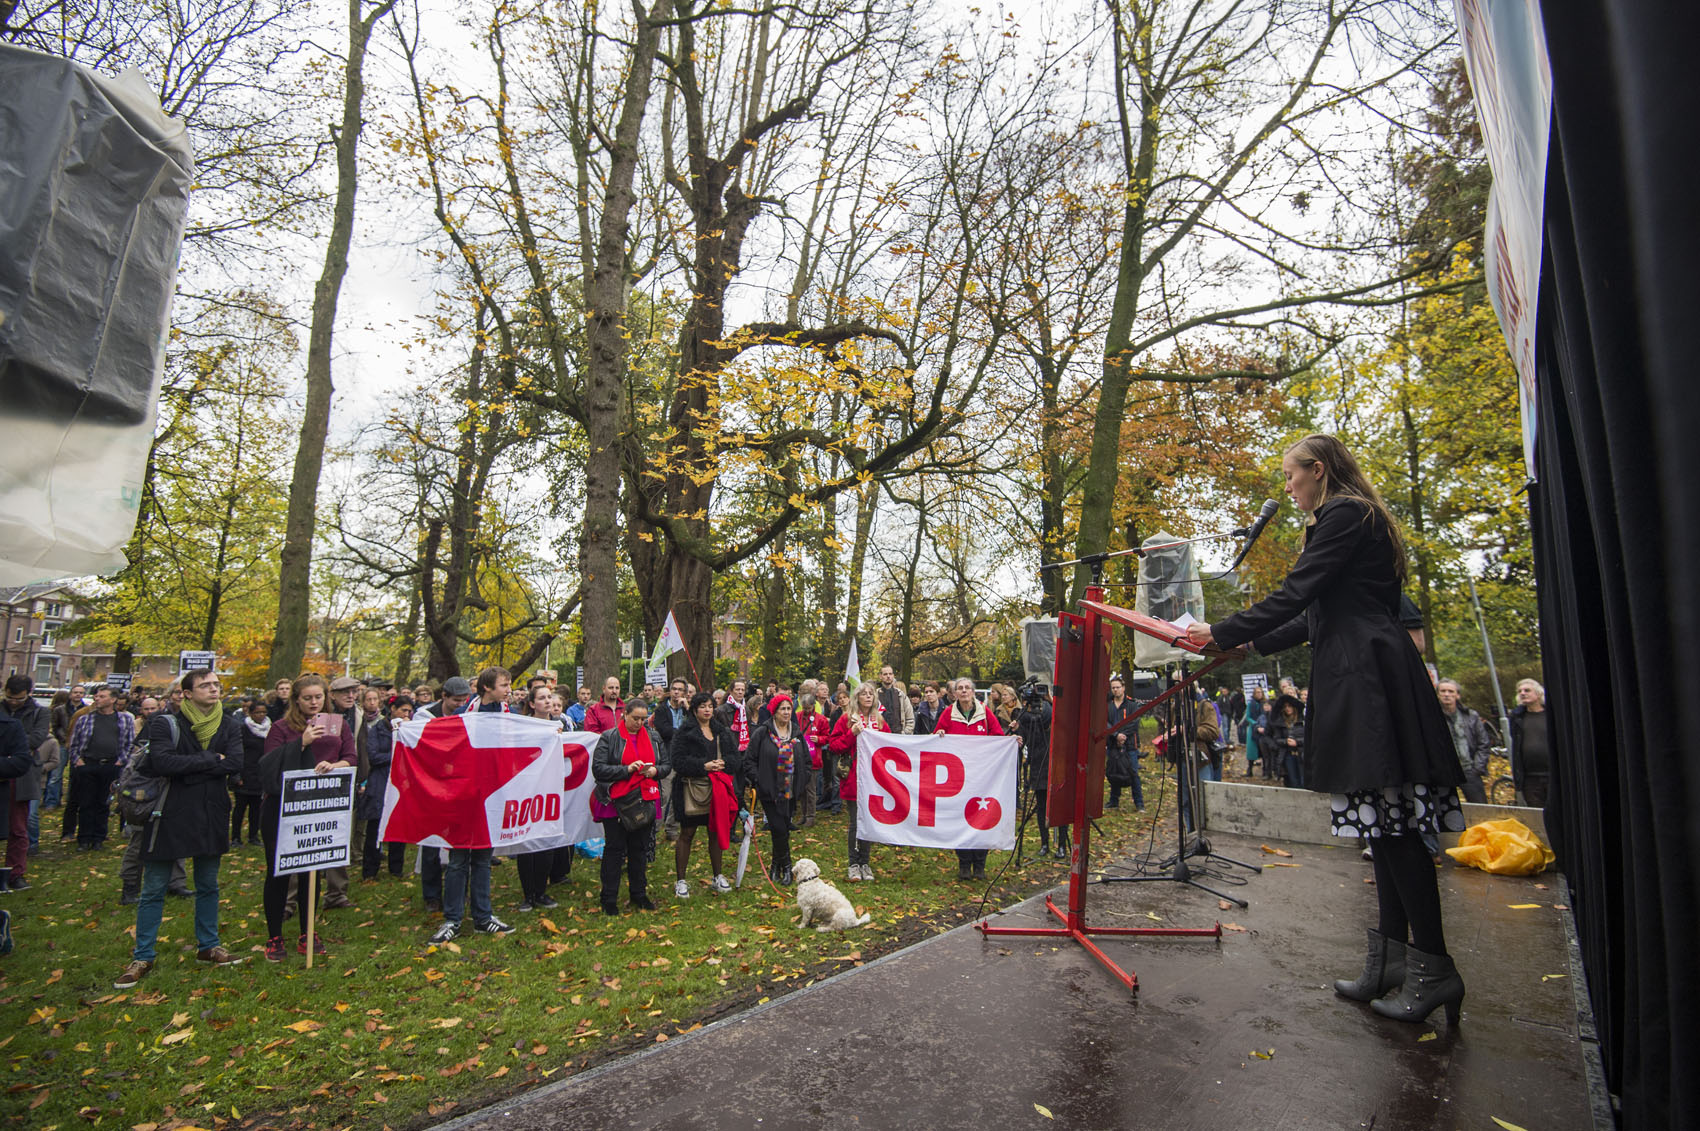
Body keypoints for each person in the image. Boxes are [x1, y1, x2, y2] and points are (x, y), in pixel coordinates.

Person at [1187, 433, 1466, 1025]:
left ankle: (1434, 967)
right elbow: (1313, 616)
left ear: (1317, 470)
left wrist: (1223, 632)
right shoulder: (1345, 518)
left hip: (1369, 676)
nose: (1287, 489)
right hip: (1356, 668)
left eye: (1291, 477)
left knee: (1394, 827)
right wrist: (1249, 645)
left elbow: (1297, 593)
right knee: (1381, 827)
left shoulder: (1344, 514)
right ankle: (1391, 960)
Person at [113, 669, 246, 988]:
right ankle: (143, 954)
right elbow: (161, 763)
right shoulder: (165, 723)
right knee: (154, 886)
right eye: (205, 685)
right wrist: (211, 759)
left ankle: (209, 946)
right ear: (187, 693)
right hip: (169, 812)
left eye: (216, 685)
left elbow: (235, 763)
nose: (213, 690)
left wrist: (194, 765)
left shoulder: (229, 723)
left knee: (208, 883)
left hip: (212, 811)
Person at [260, 675, 357, 962]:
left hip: (320, 807)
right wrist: (300, 744)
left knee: (311, 871)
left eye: (318, 697)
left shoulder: (338, 724)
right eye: (307, 698)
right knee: (279, 872)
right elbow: (268, 766)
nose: (314, 703)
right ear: (296, 700)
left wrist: (334, 764)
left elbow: (350, 757)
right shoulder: (281, 728)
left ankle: (307, 930)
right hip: (282, 810)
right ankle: (274, 935)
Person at [430, 668, 517, 941]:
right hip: (464, 796)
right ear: (487, 688)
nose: (509, 689)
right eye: (504, 685)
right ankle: (452, 919)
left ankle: (482, 916)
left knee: (482, 858)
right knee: (458, 860)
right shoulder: (462, 716)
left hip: (491, 796)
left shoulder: (509, 717)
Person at [591, 698, 668, 914]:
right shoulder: (609, 737)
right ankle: (609, 898)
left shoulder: (653, 736)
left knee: (639, 849)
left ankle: (639, 894)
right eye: (636, 718)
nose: (639, 723)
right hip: (616, 801)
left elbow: (666, 764)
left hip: (645, 798)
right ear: (625, 715)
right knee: (614, 850)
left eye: (643, 719)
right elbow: (598, 769)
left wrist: (655, 771)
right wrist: (626, 770)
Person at [668, 691, 738, 897]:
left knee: (714, 833)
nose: (707, 710)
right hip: (690, 789)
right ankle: (681, 880)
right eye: (703, 706)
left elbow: (735, 758)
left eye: (710, 706)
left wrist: (724, 764)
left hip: (716, 791)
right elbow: (678, 761)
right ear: (694, 709)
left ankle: (718, 876)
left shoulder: (721, 731)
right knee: (687, 834)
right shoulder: (684, 732)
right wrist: (703, 765)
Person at [936, 677, 1003, 880]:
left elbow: (998, 736)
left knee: (981, 818)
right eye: (960, 689)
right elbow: (936, 735)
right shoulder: (948, 713)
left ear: (973, 692)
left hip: (982, 777)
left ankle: (980, 864)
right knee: (960, 819)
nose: (964, 691)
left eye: (967, 688)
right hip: (958, 777)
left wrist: (1011, 742)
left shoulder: (985, 712)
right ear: (954, 694)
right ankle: (964, 863)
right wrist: (939, 732)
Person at [64, 685, 135, 849]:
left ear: (113, 699)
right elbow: (74, 743)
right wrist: (78, 760)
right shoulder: (85, 719)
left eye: (102, 696)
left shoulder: (124, 719)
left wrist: (120, 761)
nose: (97, 699)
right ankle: (84, 838)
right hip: (88, 764)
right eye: (96, 696)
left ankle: (98, 838)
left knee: (103, 803)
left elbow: (129, 743)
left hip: (110, 765)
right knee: (86, 802)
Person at [830, 681, 887, 881]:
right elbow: (834, 746)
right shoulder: (847, 719)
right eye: (864, 693)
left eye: (871, 693)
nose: (868, 696)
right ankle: (853, 863)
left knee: (868, 821)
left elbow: (890, 745)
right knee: (855, 822)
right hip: (854, 779)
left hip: (874, 780)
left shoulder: (879, 720)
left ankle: (865, 862)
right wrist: (851, 734)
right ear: (857, 697)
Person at [748, 693, 805, 884]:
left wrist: (801, 783)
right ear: (774, 711)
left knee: (782, 830)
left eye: (789, 708)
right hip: (769, 791)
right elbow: (749, 760)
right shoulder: (763, 733)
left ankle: (775, 867)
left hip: (790, 791)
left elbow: (806, 760)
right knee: (778, 827)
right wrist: (759, 780)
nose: (787, 712)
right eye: (783, 709)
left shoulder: (796, 733)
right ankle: (787, 867)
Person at [514, 685, 561, 910]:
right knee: (527, 841)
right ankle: (528, 894)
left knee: (546, 840)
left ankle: (541, 892)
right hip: (526, 788)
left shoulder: (560, 726)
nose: (548, 701)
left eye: (549, 697)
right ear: (532, 704)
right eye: (542, 698)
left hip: (549, 788)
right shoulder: (522, 727)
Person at [0, 676, 47, 889]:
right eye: (9, 697)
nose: (13, 702)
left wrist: (13, 741)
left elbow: (36, 739)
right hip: (6, 766)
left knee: (18, 827)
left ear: (29, 693)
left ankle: (16, 872)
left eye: (18, 698)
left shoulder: (39, 712)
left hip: (22, 775)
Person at [360, 699, 409, 881]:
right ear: (393, 709)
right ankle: (369, 869)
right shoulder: (377, 729)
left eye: (409, 711)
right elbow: (373, 755)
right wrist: (397, 754)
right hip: (380, 781)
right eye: (403, 710)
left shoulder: (407, 729)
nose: (406, 714)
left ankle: (396, 867)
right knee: (375, 827)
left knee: (398, 824)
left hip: (400, 781)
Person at [1015, 687, 1066, 860]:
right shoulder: (1024, 716)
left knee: (1059, 805)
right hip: (1037, 763)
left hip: (1056, 763)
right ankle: (1044, 843)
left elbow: (1047, 720)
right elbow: (1023, 738)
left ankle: (1062, 845)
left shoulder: (1050, 711)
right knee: (1041, 805)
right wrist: (1017, 727)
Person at [1436, 679, 1493, 803]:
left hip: (1469, 770)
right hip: (1444, 773)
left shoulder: (1471, 716)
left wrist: (1477, 768)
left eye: (1450, 691)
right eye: (1443, 691)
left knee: (1480, 809)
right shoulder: (1431, 718)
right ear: (1438, 695)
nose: (1446, 694)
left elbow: (1483, 743)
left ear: (1457, 695)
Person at [232, 698, 269, 846]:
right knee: (240, 807)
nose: (260, 715)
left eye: (263, 712)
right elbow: (237, 752)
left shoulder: (269, 729)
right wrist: (237, 774)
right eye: (257, 712)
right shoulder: (242, 729)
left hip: (260, 774)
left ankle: (253, 835)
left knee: (256, 808)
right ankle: (235, 837)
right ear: (250, 713)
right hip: (245, 772)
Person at [1508, 679, 1550, 807]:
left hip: (1552, 775)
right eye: (1519, 691)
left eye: (1527, 690)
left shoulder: (1550, 715)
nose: (1522, 693)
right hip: (1530, 778)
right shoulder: (1517, 718)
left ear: (1538, 694)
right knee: (1536, 814)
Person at [1105, 675, 1142, 811]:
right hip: (1113, 744)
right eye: (1113, 688)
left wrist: (1123, 735)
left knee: (1133, 773)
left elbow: (1134, 723)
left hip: (1129, 745)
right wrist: (1115, 735)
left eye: (1118, 687)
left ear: (1123, 688)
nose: (1115, 690)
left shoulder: (1132, 705)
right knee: (1113, 772)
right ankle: (1114, 800)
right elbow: (1105, 722)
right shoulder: (1108, 705)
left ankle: (1139, 803)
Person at [1267, 694, 1306, 788]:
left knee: (1303, 779)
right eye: (1285, 707)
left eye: (1289, 706)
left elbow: (1310, 737)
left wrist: (1297, 742)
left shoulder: (1303, 720)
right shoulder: (1280, 722)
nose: (1288, 709)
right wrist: (1285, 741)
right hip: (1288, 754)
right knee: (1293, 780)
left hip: (1302, 753)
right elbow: (1276, 739)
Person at [877, 666, 915, 734]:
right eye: (885, 674)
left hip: (899, 736)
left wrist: (905, 733)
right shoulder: (875, 696)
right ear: (880, 676)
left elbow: (910, 718)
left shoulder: (901, 695)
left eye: (890, 674)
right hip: (880, 737)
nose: (888, 676)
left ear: (893, 676)